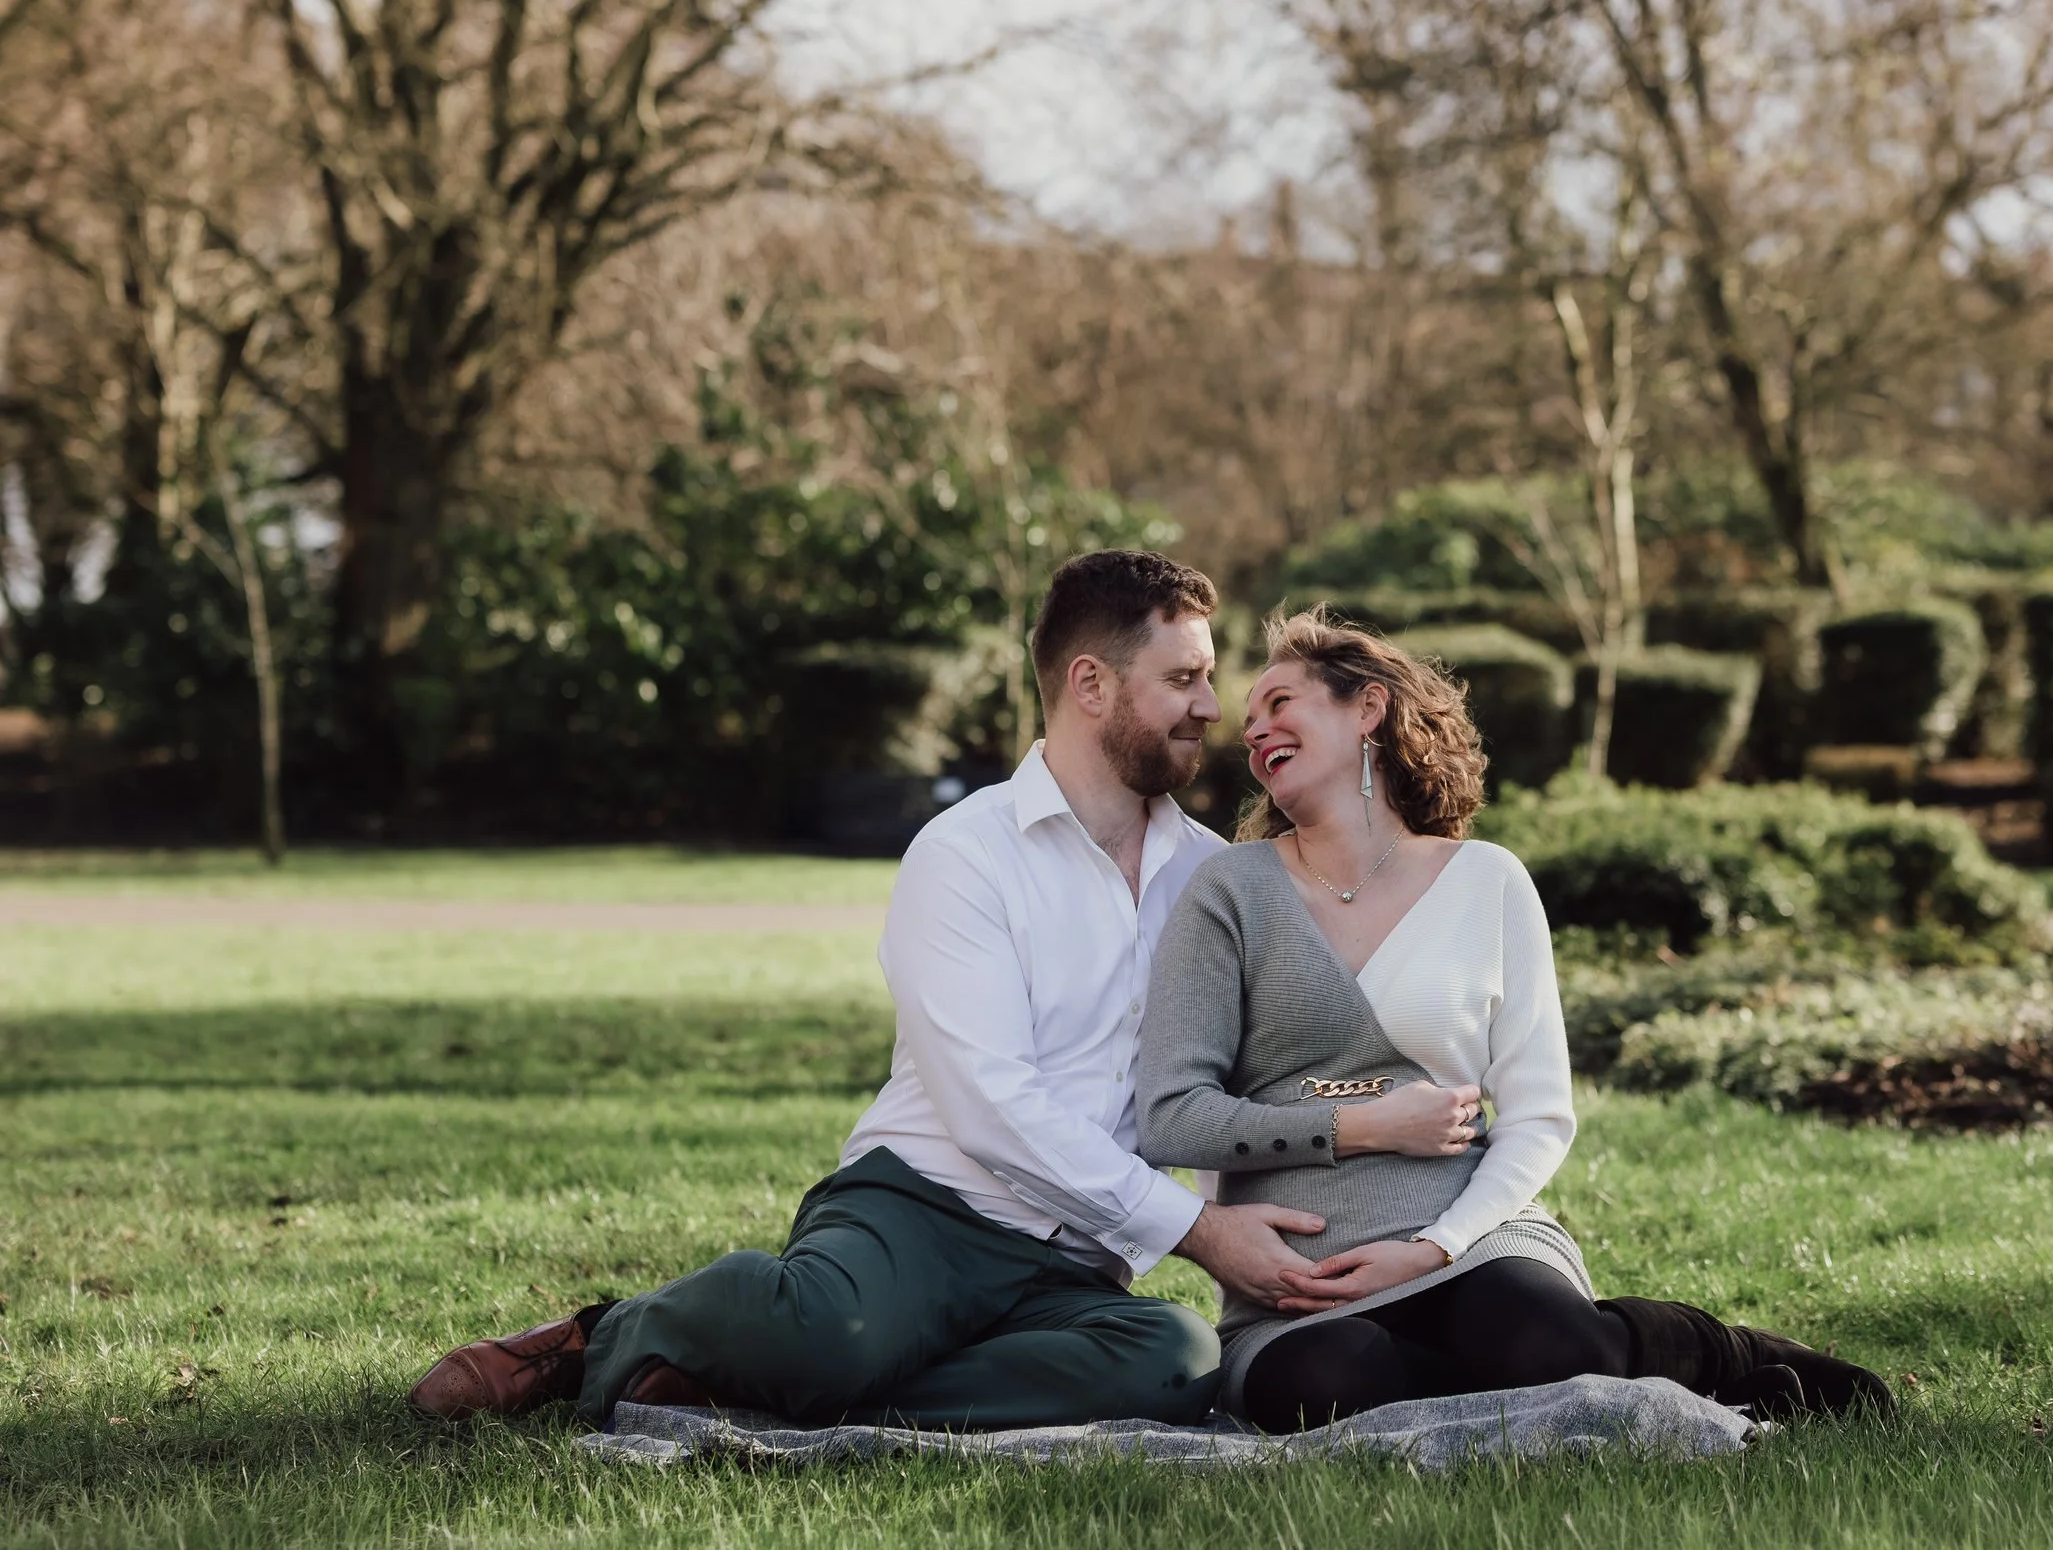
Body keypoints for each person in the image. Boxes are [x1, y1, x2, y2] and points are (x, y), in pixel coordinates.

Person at [410, 551, 1330, 1430]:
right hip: (923, 1211)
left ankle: (783, 1390)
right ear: (1091, 684)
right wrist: (1200, 1229)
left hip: (1076, 1264)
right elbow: (989, 1107)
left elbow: (1214, 1088)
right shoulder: (965, 854)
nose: (1214, 706)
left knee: (1175, 1357)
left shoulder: (1211, 879)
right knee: (837, 1332)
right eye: (1184, 679)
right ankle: (614, 1331)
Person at [1136, 611, 1897, 1434]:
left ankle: (1717, 1356)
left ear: (1368, 709)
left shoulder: (1486, 881)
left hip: (1468, 1237)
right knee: (1327, 1392)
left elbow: (1539, 1114)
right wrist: (1353, 1125)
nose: (1256, 731)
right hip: (1301, 1282)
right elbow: (1174, 1116)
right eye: (1249, 725)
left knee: (1544, 1343)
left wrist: (1436, 1246)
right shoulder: (1229, 889)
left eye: (1279, 702)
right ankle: (1594, 1397)